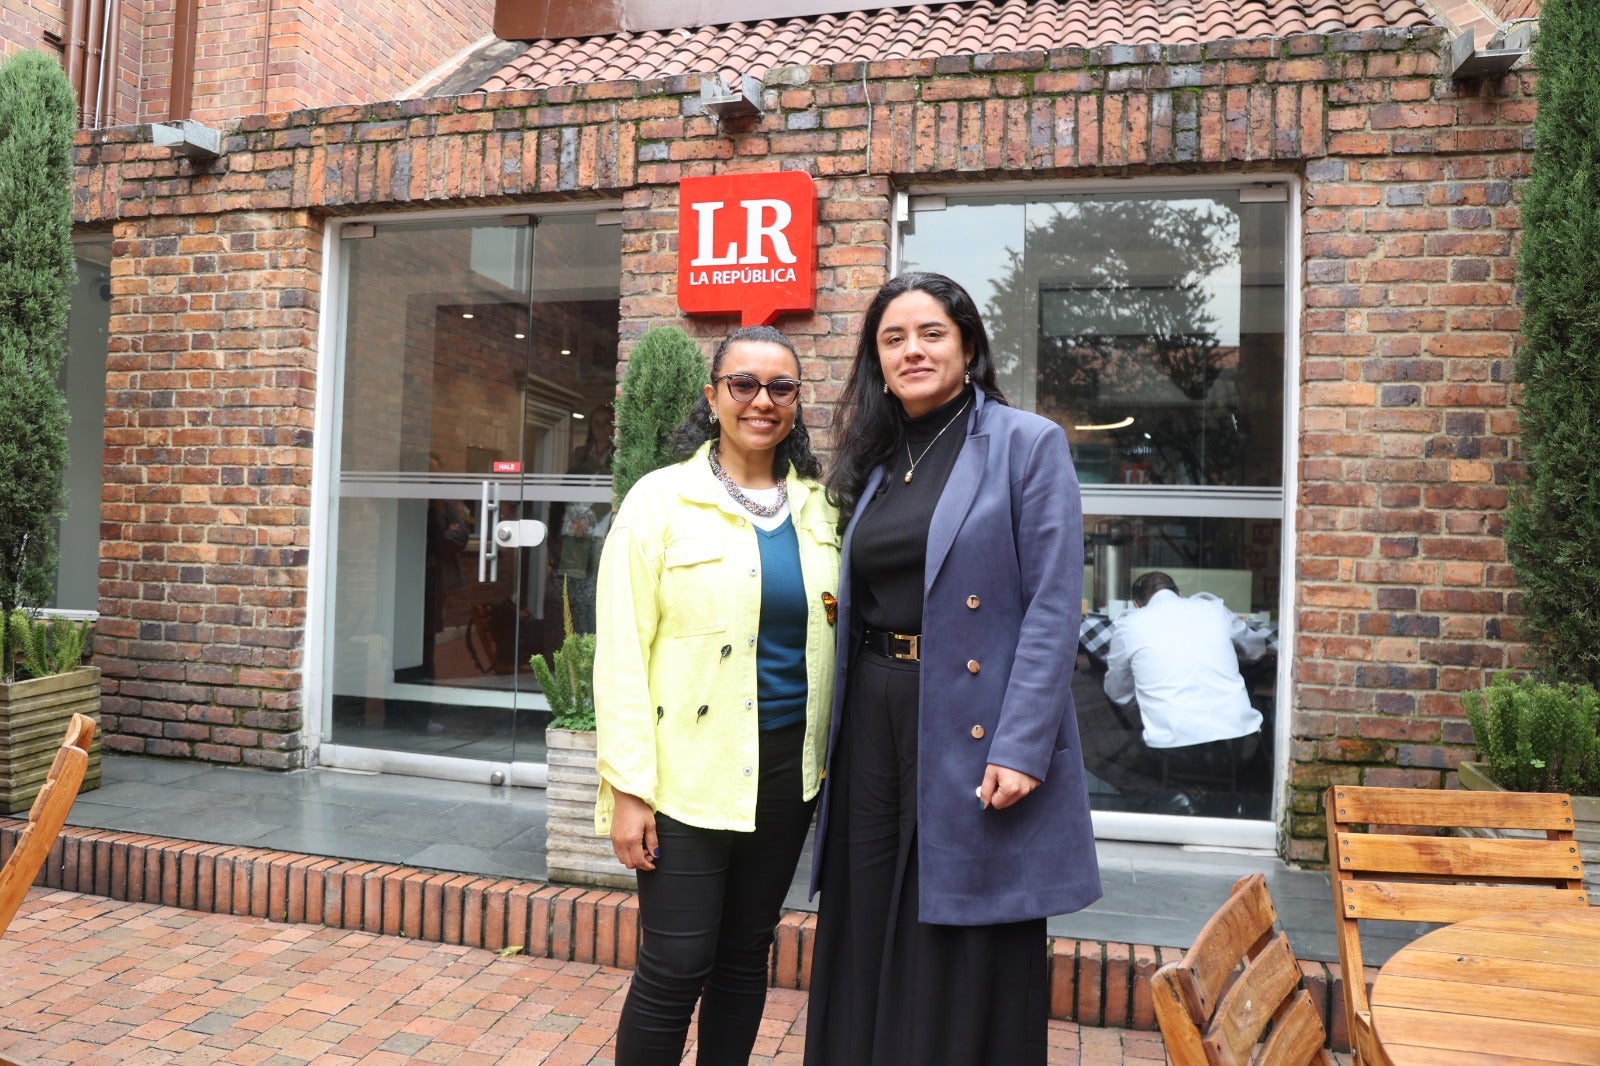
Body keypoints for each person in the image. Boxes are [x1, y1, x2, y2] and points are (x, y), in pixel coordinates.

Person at [804, 272, 1101, 1066]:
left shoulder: (1025, 442)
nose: (913, 351)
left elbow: (1051, 604)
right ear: (877, 358)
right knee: (866, 909)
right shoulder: (874, 454)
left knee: (961, 919)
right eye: (893, 338)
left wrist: (1021, 744)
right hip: (873, 708)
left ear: (968, 345)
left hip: (973, 713)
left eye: (932, 333)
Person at [592, 325, 840, 1066]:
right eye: (744, 384)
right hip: (686, 774)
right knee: (675, 966)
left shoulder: (822, 510)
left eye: (781, 387)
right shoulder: (660, 502)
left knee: (744, 957)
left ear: (796, 403)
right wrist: (629, 790)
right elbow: (621, 654)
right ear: (713, 397)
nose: (762, 401)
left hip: (785, 775)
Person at [1099, 570, 1266, 809]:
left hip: (1171, 748)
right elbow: (1256, 650)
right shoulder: (1213, 608)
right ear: (1179, 594)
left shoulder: (1129, 625)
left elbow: (1117, 693)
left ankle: (1174, 797)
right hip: (1234, 745)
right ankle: (1237, 804)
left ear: (1136, 604)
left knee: (1119, 731)